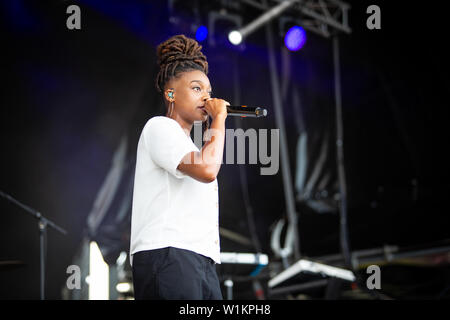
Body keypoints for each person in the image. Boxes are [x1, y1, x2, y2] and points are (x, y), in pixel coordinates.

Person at [130, 34, 229, 300]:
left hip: (199, 258)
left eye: (209, 92)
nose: (206, 98)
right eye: (197, 89)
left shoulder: (190, 147)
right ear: (170, 93)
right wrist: (219, 119)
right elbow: (208, 170)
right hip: (169, 254)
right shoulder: (159, 127)